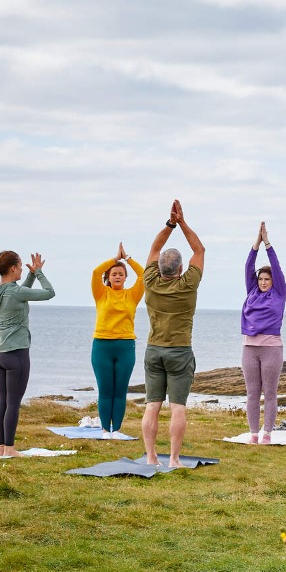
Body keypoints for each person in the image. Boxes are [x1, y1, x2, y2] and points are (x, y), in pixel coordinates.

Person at [0, 250, 55, 457]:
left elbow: (18, 293)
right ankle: (10, 449)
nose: (21, 269)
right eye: (20, 266)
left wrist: (31, 274)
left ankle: (1, 447)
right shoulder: (15, 292)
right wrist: (40, 273)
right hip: (16, 354)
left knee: (3, 402)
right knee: (14, 404)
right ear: (13, 268)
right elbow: (49, 292)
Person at [142, 200, 205, 467]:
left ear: (160, 268)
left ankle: (151, 457)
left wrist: (170, 223)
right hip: (179, 351)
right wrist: (182, 223)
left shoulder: (150, 281)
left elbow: (155, 248)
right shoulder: (188, 284)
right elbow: (199, 249)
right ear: (180, 269)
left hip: (154, 350)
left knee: (152, 405)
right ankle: (175, 459)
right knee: (177, 407)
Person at [90, 242, 145, 439]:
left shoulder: (132, 295)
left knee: (120, 391)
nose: (117, 276)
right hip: (102, 346)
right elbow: (96, 272)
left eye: (121, 274)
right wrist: (115, 259)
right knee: (105, 390)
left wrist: (127, 259)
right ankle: (105, 430)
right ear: (109, 277)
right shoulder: (101, 293)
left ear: (125, 277)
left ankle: (117, 430)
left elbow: (143, 275)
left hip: (125, 347)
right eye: (114, 274)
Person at [241, 221, 286, 444]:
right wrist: (255, 244)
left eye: (266, 279)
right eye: (260, 279)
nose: (262, 282)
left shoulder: (279, 293)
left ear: (273, 282)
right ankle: (253, 433)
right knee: (252, 393)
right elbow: (248, 267)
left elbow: (276, 267)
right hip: (250, 347)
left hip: (271, 348)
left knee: (269, 393)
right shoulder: (252, 291)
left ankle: (267, 432)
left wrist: (267, 244)